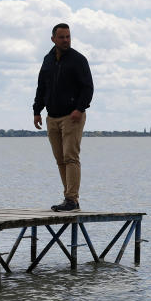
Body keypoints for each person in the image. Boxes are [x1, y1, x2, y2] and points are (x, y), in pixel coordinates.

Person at [33, 23, 93, 212]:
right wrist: (37, 110)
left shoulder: (78, 59)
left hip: (72, 117)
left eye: (68, 36)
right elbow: (41, 86)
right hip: (52, 117)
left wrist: (80, 108)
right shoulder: (48, 60)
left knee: (70, 157)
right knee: (60, 159)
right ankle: (69, 197)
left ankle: (72, 200)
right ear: (53, 39)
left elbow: (88, 87)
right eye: (62, 37)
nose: (66, 40)